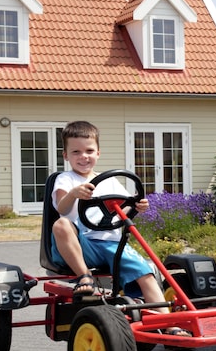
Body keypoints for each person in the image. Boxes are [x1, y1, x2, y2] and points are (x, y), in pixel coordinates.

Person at [50, 120, 189, 335]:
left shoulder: (110, 182)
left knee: (147, 273)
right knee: (60, 224)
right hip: (81, 245)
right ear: (66, 155)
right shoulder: (65, 179)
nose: (83, 156)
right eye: (76, 152)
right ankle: (84, 277)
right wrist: (73, 194)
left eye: (89, 151)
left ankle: (167, 324)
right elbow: (61, 207)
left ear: (98, 153)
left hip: (112, 243)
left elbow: (125, 207)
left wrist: (138, 206)